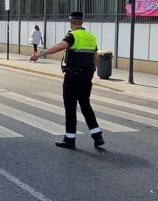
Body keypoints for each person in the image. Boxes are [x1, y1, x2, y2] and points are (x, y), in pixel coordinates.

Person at [30, 11, 104, 150]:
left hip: (72, 76)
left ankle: (70, 139)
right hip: (86, 77)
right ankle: (97, 136)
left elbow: (60, 46)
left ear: (71, 21)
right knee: (86, 105)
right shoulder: (91, 37)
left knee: (70, 107)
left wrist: (41, 53)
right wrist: (90, 73)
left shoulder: (72, 35)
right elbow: (96, 59)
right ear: (81, 21)